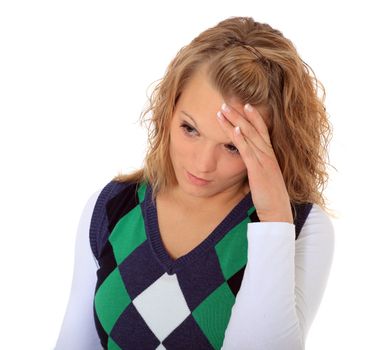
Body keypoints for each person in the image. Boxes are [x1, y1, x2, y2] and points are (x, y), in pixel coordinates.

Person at [54, 16, 335, 350]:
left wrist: (274, 218)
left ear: (274, 145)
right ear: (168, 110)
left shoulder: (299, 228)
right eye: (190, 129)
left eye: (233, 146)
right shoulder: (114, 208)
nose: (202, 164)